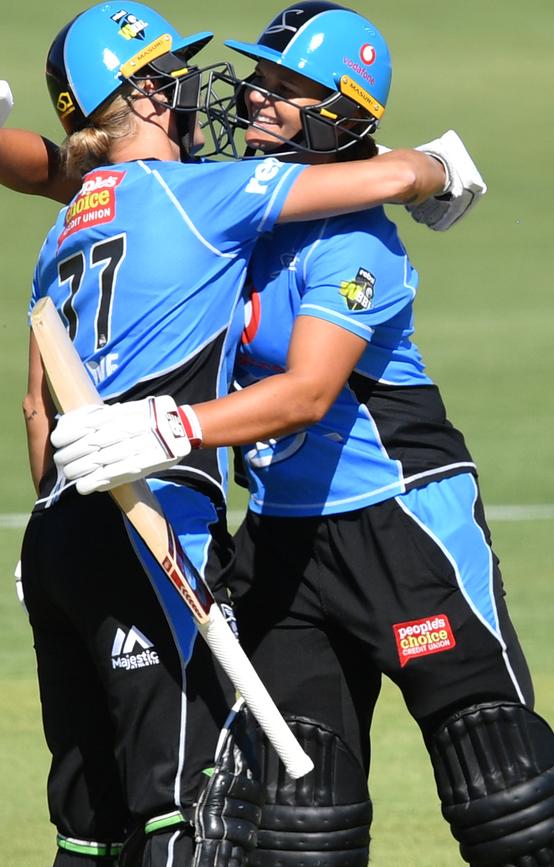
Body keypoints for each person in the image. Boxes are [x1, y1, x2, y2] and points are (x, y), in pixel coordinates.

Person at [0, 4, 459, 866]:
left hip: (58, 532)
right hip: (158, 529)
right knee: (183, 809)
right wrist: (436, 167)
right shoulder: (208, 195)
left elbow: (35, 407)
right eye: (170, 72)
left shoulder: (60, 236)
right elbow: (376, 183)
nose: (195, 90)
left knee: (86, 827)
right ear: (148, 91)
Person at [37, 4, 554, 867]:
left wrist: (171, 424)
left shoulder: (357, 243)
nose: (256, 100)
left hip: (402, 525)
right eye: (261, 81)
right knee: (294, 821)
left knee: (505, 791)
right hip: (284, 547)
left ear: (344, 112)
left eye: (287, 89)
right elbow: (93, 172)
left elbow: (308, 393)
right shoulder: (223, 204)